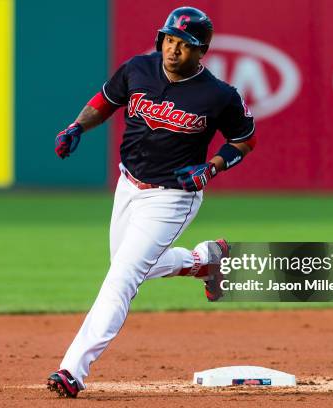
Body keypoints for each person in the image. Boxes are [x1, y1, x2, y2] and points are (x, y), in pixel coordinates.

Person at [47, 6, 256, 398]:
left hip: (173, 197)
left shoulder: (219, 95)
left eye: (184, 44)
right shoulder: (138, 70)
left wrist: (211, 168)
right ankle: (204, 261)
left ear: (202, 50)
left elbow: (244, 139)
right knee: (131, 266)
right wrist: (78, 125)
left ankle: (72, 370)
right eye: (169, 40)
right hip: (128, 186)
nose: (173, 49)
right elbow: (105, 101)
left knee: (121, 278)